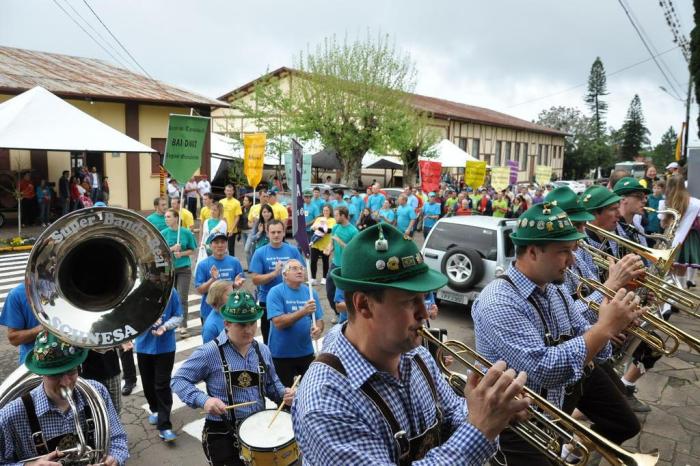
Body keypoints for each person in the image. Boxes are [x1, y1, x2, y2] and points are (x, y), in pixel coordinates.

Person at [292, 222, 531, 465]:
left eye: (424, 299)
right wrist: (479, 430)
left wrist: (490, 407)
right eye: (409, 301)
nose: (424, 313)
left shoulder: (415, 354)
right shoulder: (325, 402)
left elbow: (449, 415)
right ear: (364, 305)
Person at [472, 203, 644, 464]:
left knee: (625, 424)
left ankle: (569, 453)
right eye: (564, 252)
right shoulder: (498, 301)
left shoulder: (553, 288)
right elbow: (545, 369)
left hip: (554, 401)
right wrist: (605, 328)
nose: (572, 260)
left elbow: (585, 339)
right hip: (514, 420)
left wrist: (611, 327)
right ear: (532, 252)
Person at [171, 291, 295, 466]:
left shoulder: (262, 350)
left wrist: (285, 395)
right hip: (222, 432)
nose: (249, 330)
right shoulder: (209, 352)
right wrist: (204, 401)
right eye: (242, 325)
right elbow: (178, 380)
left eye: (253, 323)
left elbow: (271, 386)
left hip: (258, 427)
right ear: (227, 323)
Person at [0, 331, 128, 466]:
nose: (65, 382)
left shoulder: (98, 392)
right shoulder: (12, 414)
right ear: (40, 373)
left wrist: (114, 458)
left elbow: (118, 438)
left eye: (71, 371)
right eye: (55, 375)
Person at [267, 260, 324, 386]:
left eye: (301, 268)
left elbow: (319, 319)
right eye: (294, 268)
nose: (299, 271)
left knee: (309, 392)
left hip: (306, 352)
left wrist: (318, 329)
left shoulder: (310, 292)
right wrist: (303, 311)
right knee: (284, 397)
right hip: (282, 355)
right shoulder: (275, 292)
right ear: (285, 274)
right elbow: (278, 323)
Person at [135, 289, 183, 442]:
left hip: (166, 346)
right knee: (148, 383)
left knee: (162, 384)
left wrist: (165, 326)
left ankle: (165, 425)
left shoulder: (172, 292)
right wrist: (146, 321)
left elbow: (178, 316)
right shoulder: (139, 291)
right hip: (143, 346)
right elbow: (130, 317)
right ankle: (155, 409)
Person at [249, 220, 305, 344]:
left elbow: (303, 273)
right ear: (267, 234)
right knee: (269, 339)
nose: (276, 235)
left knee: (292, 336)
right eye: (273, 232)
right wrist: (274, 274)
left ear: (284, 233)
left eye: (279, 232)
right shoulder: (260, 252)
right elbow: (255, 279)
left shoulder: (293, 251)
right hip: (267, 301)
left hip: (291, 299)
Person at [195, 232, 245, 327]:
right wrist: (212, 279)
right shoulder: (203, 265)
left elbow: (237, 284)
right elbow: (200, 290)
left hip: (231, 311)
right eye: (216, 242)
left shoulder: (234, 262)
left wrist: (235, 285)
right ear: (210, 245)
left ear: (226, 244)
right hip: (209, 312)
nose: (220, 245)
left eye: (222, 242)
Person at [659, 174, 700, 289]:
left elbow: (662, 224)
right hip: (687, 240)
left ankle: (669, 301)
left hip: (669, 240)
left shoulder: (665, 203)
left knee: (669, 272)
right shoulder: (696, 203)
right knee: (681, 270)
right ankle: (678, 295)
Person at [161, 208, 197, 338]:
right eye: (165, 217)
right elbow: (159, 252)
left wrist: (181, 253)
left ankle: (183, 325)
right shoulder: (163, 233)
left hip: (184, 269)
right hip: (168, 269)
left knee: (182, 298)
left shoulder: (186, 233)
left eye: (169, 217)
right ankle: (168, 323)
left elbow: (192, 249)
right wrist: (171, 249)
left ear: (176, 218)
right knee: (168, 297)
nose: (166, 219)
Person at [325, 206, 359, 323]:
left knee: (342, 294)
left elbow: (354, 250)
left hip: (346, 266)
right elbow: (332, 241)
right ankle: (336, 312)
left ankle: (344, 316)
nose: (334, 217)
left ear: (343, 216)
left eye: (336, 215)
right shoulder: (335, 227)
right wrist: (329, 248)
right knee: (329, 290)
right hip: (335, 264)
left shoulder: (353, 231)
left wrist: (340, 241)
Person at [0, 283, 41, 365]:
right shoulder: (17, 294)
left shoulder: (69, 287)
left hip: (70, 360)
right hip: (34, 362)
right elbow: (14, 339)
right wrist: (41, 329)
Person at [309, 205, 336, 286]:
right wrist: (316, 228)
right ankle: (313, 279)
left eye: (327, 210)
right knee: (313, 261)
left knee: (325, 261)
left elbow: (328, 231)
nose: (325, 212)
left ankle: (324, 278)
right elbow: (311, 228)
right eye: (324, 210)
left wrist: (317, 228)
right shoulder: (318, 219)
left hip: (326, 244)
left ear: (330, 211)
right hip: (315, 244)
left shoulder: (332, 220)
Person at [201, 280, 234, 344]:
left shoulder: (230, 312)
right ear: (218, 297)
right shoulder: (211, 327)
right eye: (229, 295)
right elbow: (209, 352)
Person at [219, 184, 242, 257]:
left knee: (230, 249)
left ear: (233, 192)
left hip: (231, 230)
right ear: (224, 191)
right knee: (220, 248)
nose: (229, 192)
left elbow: (237, 217)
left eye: (230, 191)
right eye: (227, 191)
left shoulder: (236, 202)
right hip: (222, 229)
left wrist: (232, 229)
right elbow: (219, 215)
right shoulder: (221, 202)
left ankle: (232, 265)